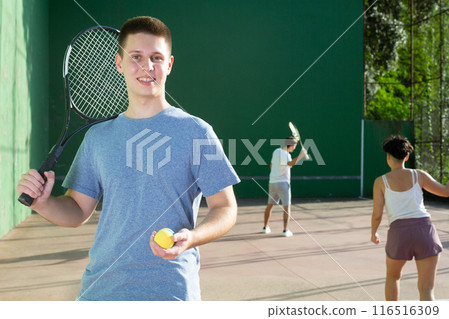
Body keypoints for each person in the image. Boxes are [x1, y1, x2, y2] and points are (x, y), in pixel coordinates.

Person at [16, 16, 240, 301]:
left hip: (170, 294)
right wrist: (43, 203)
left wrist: (191, 238)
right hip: (100, 293)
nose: (147, 67)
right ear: (119, 63)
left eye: (156, 58)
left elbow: (225, 208)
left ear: (169, 64)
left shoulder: (197, 132)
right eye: (136, 57)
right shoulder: (98, 138)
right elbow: (77, 210)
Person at [371, 135, 449, 301]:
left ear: (388, 157)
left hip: (399, 234)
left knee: (393, 278)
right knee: (426, 289)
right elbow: (446, 191)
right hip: (425, 231)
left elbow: (377, 214)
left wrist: (374, 233)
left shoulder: (380, 182)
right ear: (406, 157)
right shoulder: (418, 175)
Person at [262, 136, 308, 237]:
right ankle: (285, 230)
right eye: (294, 146)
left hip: (272, 183)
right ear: (290, 145)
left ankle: (265, 227)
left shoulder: (276, 151)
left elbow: (271, 165)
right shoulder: (286, 154)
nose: (295, 148)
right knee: (287, 208)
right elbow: (290, 164)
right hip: (283, 184)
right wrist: (301, 156)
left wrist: (276, 173)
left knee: (269, 205)